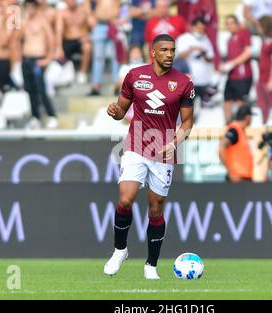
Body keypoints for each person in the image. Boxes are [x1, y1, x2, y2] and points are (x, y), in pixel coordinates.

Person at [104, 34, 195, 280]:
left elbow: (187, 123)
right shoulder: (134, 76)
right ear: (153, 52)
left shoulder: (184, 82)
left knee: (155, 209)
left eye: (172, 50)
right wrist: (114, 111)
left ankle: (151, 265)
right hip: (135, 143)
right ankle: (120, 250)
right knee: (125, 199)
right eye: (164, 50)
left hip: (165, 149)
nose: (169, 54)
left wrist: (175, 143)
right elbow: (121, 111)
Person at [21, 0, 58, 129]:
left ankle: (52, 115)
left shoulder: (43, 21)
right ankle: (35, 117)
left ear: (36, 8)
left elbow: (52, 40)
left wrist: (48, 59)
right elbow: (14, 37)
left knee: (40, 89)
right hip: (26, 59)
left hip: (38, 59)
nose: (29, 11)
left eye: (31, 8)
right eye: (27, 8)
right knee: (29, 89)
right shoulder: (24, 22)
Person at [220, 15, 253, 124]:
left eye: (231, 23)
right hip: (232, 76)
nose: (229, 26)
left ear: (237, 24)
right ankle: (228, 126)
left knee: (240, 102)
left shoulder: (243, 34)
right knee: (227, 102)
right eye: (227, 24)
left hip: (242, 76)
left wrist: (232, 64)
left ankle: (242, 125)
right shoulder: (229, 40)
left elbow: (248, 53)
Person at [176, 18, 214, 109]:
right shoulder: (184, 38)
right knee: (187, 106)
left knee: (202, 106)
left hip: (203, 79)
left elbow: (211, 57)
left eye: (202, 29)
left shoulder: (205, 39)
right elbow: (179, 55)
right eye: (198, 28)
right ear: (192, 27)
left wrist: (203, 53)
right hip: (188, 79)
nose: (200, 31)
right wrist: (192, 49)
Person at [56, 0, 94, 84]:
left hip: (81, 39)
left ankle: (82, 73)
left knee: (87, 47)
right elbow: (59, 31)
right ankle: (65, 75)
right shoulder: (62, 13)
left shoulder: (84, 10)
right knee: (58, 55)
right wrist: (59, 47)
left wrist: (89, 35)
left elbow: (93, 25)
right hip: (68, 40)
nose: (71, 1)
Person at [88, 0, 120, 96]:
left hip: (114, 24)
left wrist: (122, 18)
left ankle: (117, 85)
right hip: (99, 24)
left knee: (116, 57)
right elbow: (87, 4)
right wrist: (90, 17)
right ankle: (96, 85)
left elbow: (124, 6)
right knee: (98, 57)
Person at [218, 105, 254, 182]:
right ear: (247, 117)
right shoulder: (234, 130)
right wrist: (231, 173)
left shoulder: (240, 131)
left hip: (243, 179)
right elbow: (221, 148)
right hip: (237, 179)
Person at [256, 15, 272, 123]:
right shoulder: (265, 40)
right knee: (262, 106)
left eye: (259, 26)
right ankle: (264, 124)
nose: (258, 28)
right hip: (262, 77)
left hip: (269, 78)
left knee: (271, 105)